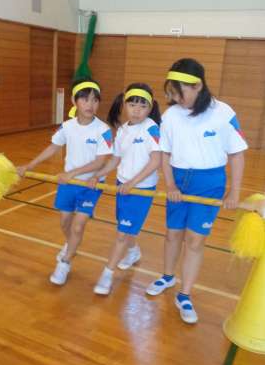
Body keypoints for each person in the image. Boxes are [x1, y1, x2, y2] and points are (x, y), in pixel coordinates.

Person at [146, 58, 248, 324]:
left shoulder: (223, 113)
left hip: (209, 182)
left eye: (179, 93)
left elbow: (237, 154)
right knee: (173, 234)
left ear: (198, 86)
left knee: (195, 239)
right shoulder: (170, 116)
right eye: (171, 93)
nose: (174, 99)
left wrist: (234, 192)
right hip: (178, 179)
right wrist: (170, 185)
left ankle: (185, 294)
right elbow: (165, 153)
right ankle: (168, 276)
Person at [17, 77, 113, 286]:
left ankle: (65, 262)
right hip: (69, 184)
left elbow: (100, 162)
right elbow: (53, 147)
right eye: (85, 99)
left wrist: (73, 173)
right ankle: (71, 245)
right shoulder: (67, 127)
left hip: (90, 185)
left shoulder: (103, 130)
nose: (90, 104)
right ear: (74, 101)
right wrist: (30, 165)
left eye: (95, 100)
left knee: (78, 226)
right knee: (65, 222)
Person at [88, 83, 162, 295]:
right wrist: (98, 175)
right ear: (124, 105)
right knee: (125, 226)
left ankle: (107, 274)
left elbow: (155, 161)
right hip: (123, 186)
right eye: (132, 104)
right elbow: (115, 160)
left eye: (142, 106)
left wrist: (133, 183)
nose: (137, 110)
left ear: (150, 108)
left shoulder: (151, 129)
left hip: (140, 190)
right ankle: (133, 251)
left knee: (122, 233)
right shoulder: (122, 130)